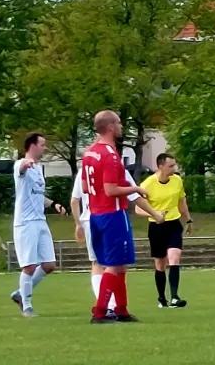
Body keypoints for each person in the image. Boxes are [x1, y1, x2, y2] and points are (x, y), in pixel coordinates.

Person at [82, 110, 164, 324]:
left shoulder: (89, 153)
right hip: (112, 214)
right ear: (109, 126)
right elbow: (110, 190)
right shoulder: (109, 155)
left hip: (96, 214)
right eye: (118, 123)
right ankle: (100, 312)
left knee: (119, 264)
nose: (121, 126)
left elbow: (85, 186)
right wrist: (136, 188)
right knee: (115, 264)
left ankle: (121, 310)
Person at [72, 166, 166, 318]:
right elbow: (134, 196)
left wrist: (78, 223)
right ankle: (106, 308)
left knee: (99, 264)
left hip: (89, 219)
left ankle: (117, 308)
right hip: (110, 219)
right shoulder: (115, 167)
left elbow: (74, 200)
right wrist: (155, 214)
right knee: (116, 264)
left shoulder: (86, 169)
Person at [9, 132, 66, 318]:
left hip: (40, 221)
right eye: (43, 144)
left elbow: (37, 194)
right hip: (25, 223)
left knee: (49, 265)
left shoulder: (39, 169)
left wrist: (53, 204)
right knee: (29, 266)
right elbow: (22, 169)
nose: (45, 147)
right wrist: (27, 164)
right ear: (32, 146)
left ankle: (19, 293)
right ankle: (27, 306)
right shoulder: (21, 164)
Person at [135, 153, 192, 309]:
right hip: (156, 227)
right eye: (171, 166)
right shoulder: (148, 184)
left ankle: (174, 297)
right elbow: (138, 209)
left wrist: (188, 219)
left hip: (173, 224)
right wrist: (154, 214)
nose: (174, 168)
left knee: (175, 257)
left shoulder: (177, 180)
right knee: (160, 264)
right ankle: (162, 298)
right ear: (160, 166)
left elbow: (182, 202)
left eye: (174, 165)